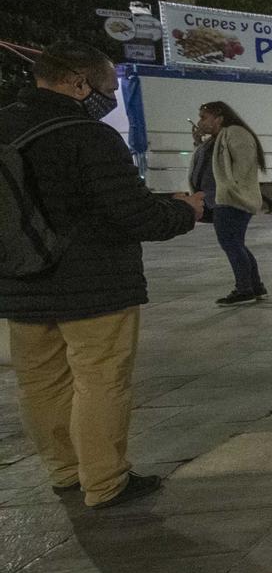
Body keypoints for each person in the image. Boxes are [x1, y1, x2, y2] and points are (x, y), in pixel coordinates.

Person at [0, 42, 201, 507]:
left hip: (20, 281)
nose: (109, 98)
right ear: (77, 82)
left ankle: (66, 471)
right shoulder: (87, 135)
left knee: (40, 382)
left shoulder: (5, 123)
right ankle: (105, 482)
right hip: (93, 284)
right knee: (100, 380)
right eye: (107, 87)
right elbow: (135, 215)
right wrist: (183, 211)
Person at [192, 101, 268, 305]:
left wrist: (231, 188)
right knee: (235, 243)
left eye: (203, 117)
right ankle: (255, 285)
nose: (200, 121)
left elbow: (243, 164)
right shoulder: (215, 139)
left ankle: (244, 289)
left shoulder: (235, 133)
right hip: (219, 199)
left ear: (219, 117)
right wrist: (198, 142)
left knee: (231, 243)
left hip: (230, 200)